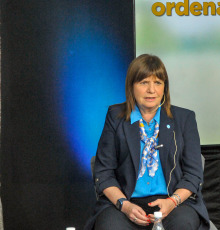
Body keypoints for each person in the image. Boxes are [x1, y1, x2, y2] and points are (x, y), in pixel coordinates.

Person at [84, 54, 210, 230]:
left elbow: (193, 174)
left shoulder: (184, 119)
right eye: (144, 83)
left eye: (158, 83)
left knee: (183, 225)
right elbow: (104, 172)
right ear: (131, 87)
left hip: (174, 204)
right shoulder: (116, 117)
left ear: (164, 88)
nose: (152, 90)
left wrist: (172, 202)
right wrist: (125, 205)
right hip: (125, 203)